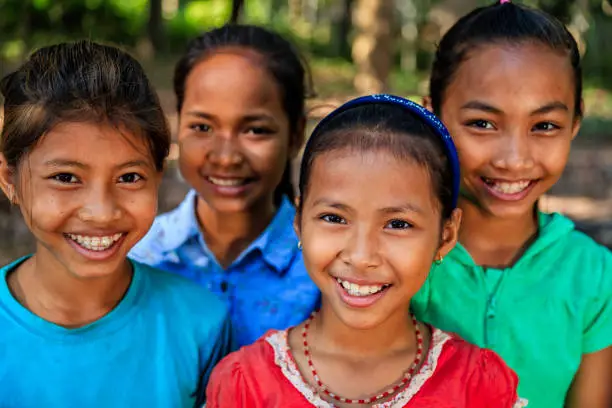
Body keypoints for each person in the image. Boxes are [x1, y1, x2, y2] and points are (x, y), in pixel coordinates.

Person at [205, 94, 528, 407]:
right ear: (300, 222)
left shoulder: (478, 387)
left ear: (445, 235)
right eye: (334, 218)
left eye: (398, 224)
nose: (361, 256)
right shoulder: (245, 384)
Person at [0, 40, 231, 408]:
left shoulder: (200, 324)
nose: (101, 212)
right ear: (9, 179)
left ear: (158, 176)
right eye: (65, 177)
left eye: (129, 178)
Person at [411, 2, 612, 407]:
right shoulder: (398, 254)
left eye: (544, 126)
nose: (514, 159)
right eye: (483, 123)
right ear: (432, 116)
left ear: (574, 123)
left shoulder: (594, 277)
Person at [130, 24, 320, 348]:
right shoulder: (138, 257)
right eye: (202, 126)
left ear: (296, 134)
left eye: (255, 130)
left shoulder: (325, 270)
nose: (226, 157)